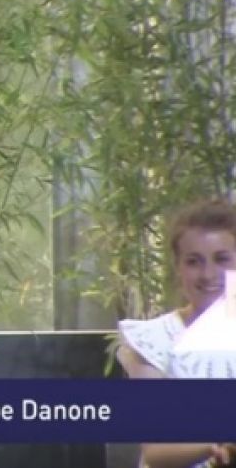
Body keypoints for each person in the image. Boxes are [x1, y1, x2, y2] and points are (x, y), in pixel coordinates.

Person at [117, 199, 236, 468]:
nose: (208, 274)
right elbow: (156, 452)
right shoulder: (154, 341)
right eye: (194, 262)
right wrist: (216, 445)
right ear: (178, 268)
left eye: (222, 259)